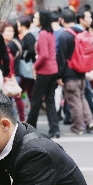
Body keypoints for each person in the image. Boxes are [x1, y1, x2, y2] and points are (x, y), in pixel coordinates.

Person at [57, 8, 93, 135]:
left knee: (74, 102)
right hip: (82, 73)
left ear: (62, 20)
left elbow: (61, 58)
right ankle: (89, 121)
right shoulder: (81, 32)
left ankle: (77, 128)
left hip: (69, 75)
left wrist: (59, 75)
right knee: (82, 98)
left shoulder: (64, 35)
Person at [27, 9, 60, 138]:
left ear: (42, 19)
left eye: (36, 18)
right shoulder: (50, 33)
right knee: (50, 100)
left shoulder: (42, 34)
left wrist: (34, 67)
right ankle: (55, 129)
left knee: (36, 101)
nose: (34, 20)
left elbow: (43, 55)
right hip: (53, 70)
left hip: (44, 71)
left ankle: (29, 128)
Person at [10, 15, 36, 122]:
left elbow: (32, 51)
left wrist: (24, 56)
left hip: (27, 70)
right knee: (30, 95)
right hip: (29, 71)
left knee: (18, 93)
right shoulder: (26, 36)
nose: (17, 26)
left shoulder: (28, 37)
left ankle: (23, 118)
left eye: (18, 24)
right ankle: (30, 118)